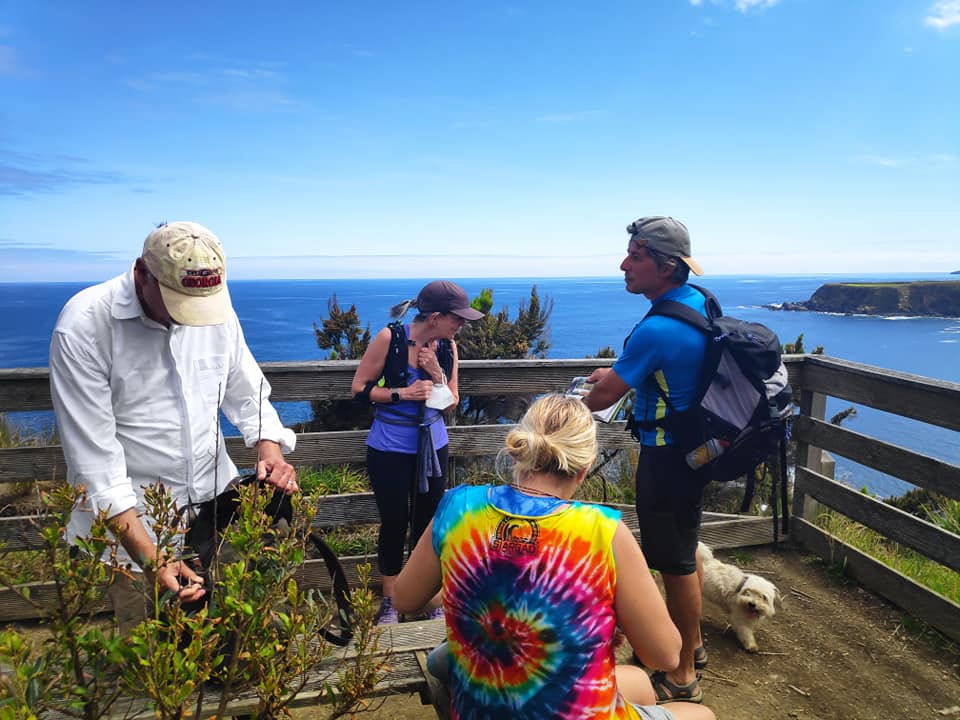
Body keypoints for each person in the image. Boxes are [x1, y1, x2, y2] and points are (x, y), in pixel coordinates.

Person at [393, 394, 714, 719]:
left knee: (640, 684)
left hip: (483, 705)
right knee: (702, 716)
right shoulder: (602, 532)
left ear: (521, 448)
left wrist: (468, 589)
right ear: (584, 468)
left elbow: (404, 598)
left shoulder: (458, 507)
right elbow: (667, 655)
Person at [49, 221, 298, 631]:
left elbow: (246, 390)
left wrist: (269, 450)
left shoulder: (211, 298)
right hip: (135, 526)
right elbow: (97, 467)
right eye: (176, 302)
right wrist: (153, 558)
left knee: (236, 642)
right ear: (141, 273)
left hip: (216, 509)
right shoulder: (84, 326)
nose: (189, 318)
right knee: (154, 661)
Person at [582, 216, 711, 703]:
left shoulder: (656, 327)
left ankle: (681, 675)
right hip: (698, 451)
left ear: (667, 266)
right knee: (687, 544)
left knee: (674, 562)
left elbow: (598, 401)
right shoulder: (698, 303)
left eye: (636, 256)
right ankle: (693, 645)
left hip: (667, 457)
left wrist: (565, 404)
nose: (623, 265)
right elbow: (664, 371)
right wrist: (619, 373)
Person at [350, 280, 483, 625]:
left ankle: (427, 598)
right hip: (390, 446)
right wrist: (403, 394)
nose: (462, 324)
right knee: (394, 523)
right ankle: (392, 601)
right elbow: (360, 390)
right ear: (436, 316)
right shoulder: (389, 339)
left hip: (433, 446)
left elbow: (451, 401)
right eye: (458, 318)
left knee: (428, 527)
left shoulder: (448, 348)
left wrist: (436, 373)